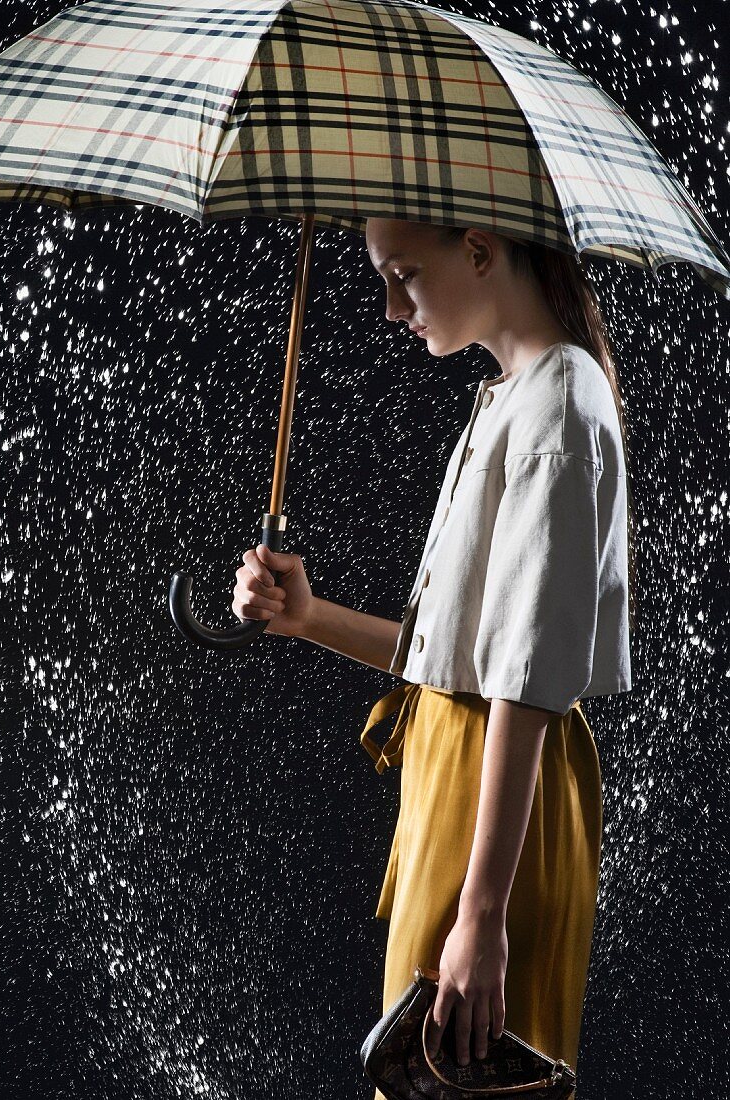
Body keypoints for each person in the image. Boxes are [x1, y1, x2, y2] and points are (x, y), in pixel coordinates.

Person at [231, 218, 634, 1099]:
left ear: (480, 248)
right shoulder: (517, 394)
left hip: (496, 805)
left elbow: (522, 686)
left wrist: (481, 917)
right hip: (464, 776)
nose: (389, 307)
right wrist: (306, 618)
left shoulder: (558, 406)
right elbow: (462, 658)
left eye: (404, 274)